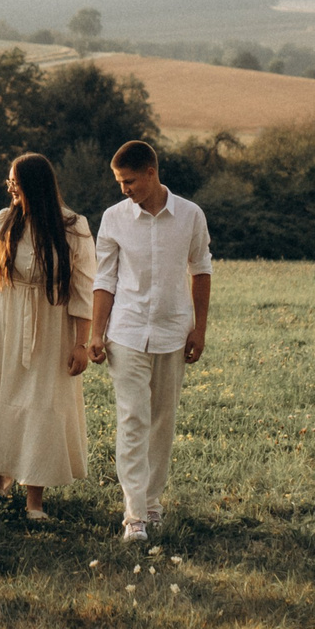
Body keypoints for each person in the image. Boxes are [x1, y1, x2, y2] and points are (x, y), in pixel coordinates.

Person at [0, 152, 95, 522]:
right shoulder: (5, 220)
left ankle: (35, 498)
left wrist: (81, 342)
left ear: (32, 184)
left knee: (40, 402)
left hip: (50, 324)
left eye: (14, 181)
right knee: (1, 394)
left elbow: (83, 288)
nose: (9, 186)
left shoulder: (73, 227)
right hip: (4, 318)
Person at [89, 139, 211, 542]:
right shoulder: (113, 218)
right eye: (119, 182)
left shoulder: (191, 215)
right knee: (132, 419)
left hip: (173, 331)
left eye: (129, 181)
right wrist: (96, 332)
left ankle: (152, 504)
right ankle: (134, 515)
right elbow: (104, 279)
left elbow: (201, 270)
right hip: (125, 332)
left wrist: (200, 327)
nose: (124, 189)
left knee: (162, 422)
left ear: (151, 174)